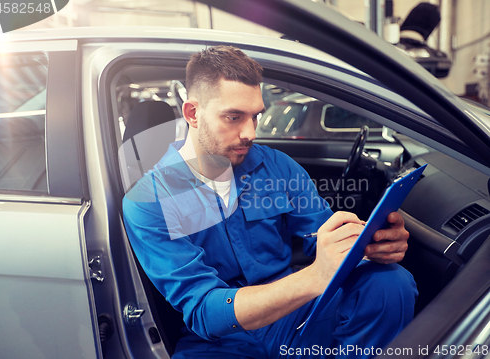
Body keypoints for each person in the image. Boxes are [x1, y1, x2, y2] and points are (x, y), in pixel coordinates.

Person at [123, 45, 417, 358]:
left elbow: (322, 237)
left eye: (256, 116)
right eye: (234, 117)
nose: (249, 133)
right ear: (193, 114)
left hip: (294, 316)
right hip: (221, 341)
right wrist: (315, 277)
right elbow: (205, 311)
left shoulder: (277, 167)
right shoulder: (149, 200)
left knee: (390, 284)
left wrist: (368, 247)